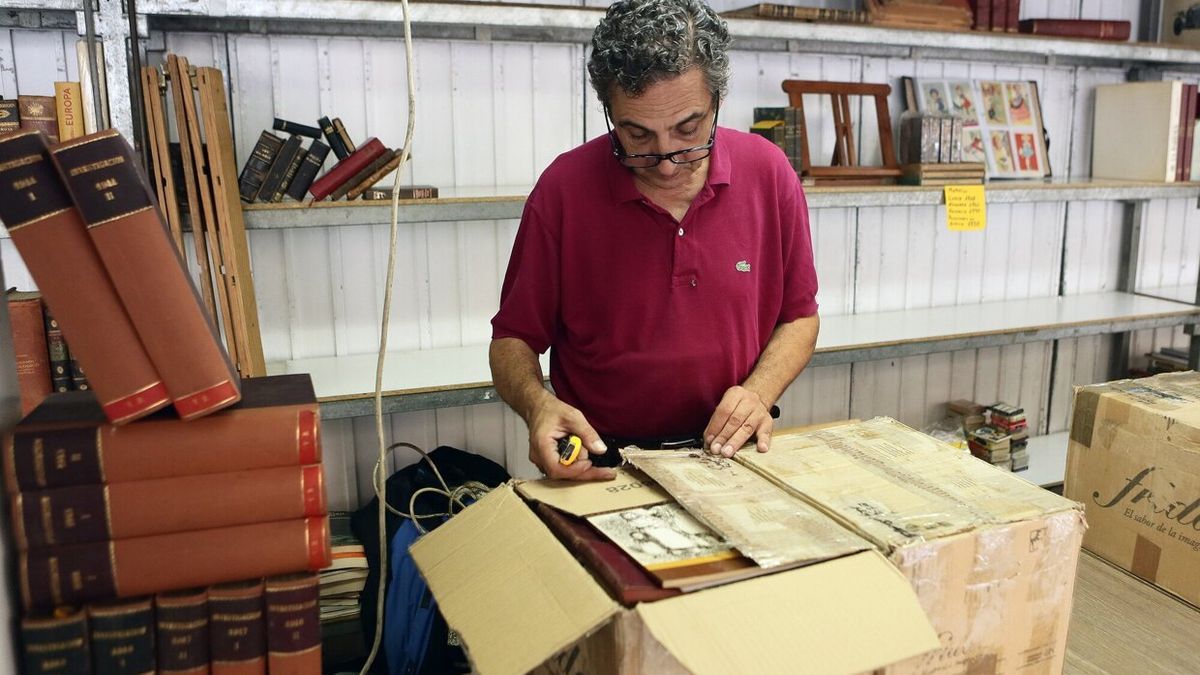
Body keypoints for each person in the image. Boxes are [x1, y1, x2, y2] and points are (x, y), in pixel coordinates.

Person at [488, 0, 819, 481]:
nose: (665, 161)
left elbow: (800, 317)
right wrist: (538, 405)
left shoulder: (769, 173)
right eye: (637, 135)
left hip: (735, 455)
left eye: (688, 129)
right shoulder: (563, 189)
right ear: (608, 110)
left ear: (718, 99)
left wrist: (758, 393)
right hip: (603, 463)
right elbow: (511, 340)